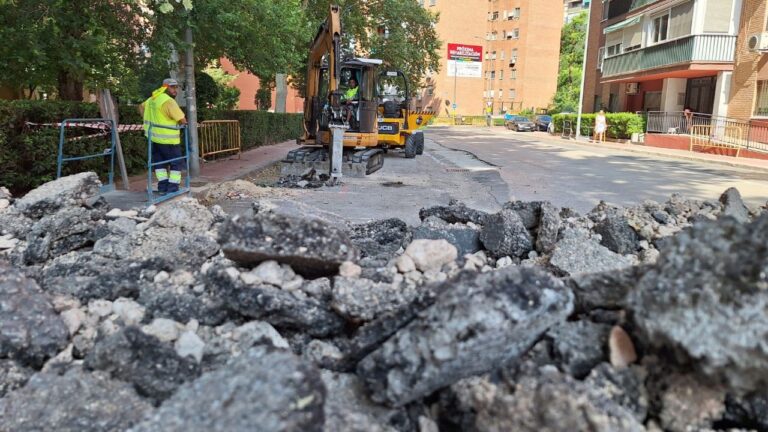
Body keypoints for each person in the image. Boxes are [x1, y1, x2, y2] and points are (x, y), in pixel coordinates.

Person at [139, 78, 187, 194]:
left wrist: (146, 118)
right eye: (172, 87)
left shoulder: (151, 99)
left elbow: (141, 107)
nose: (175, 90)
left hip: (153, 139)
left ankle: (162, 188)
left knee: (159, 164)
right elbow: (182, 119)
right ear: (165, 87)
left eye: (176, 87)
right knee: (176, 163)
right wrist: (184, 124)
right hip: (168, 140)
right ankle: (172, 189)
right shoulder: (168, 101)